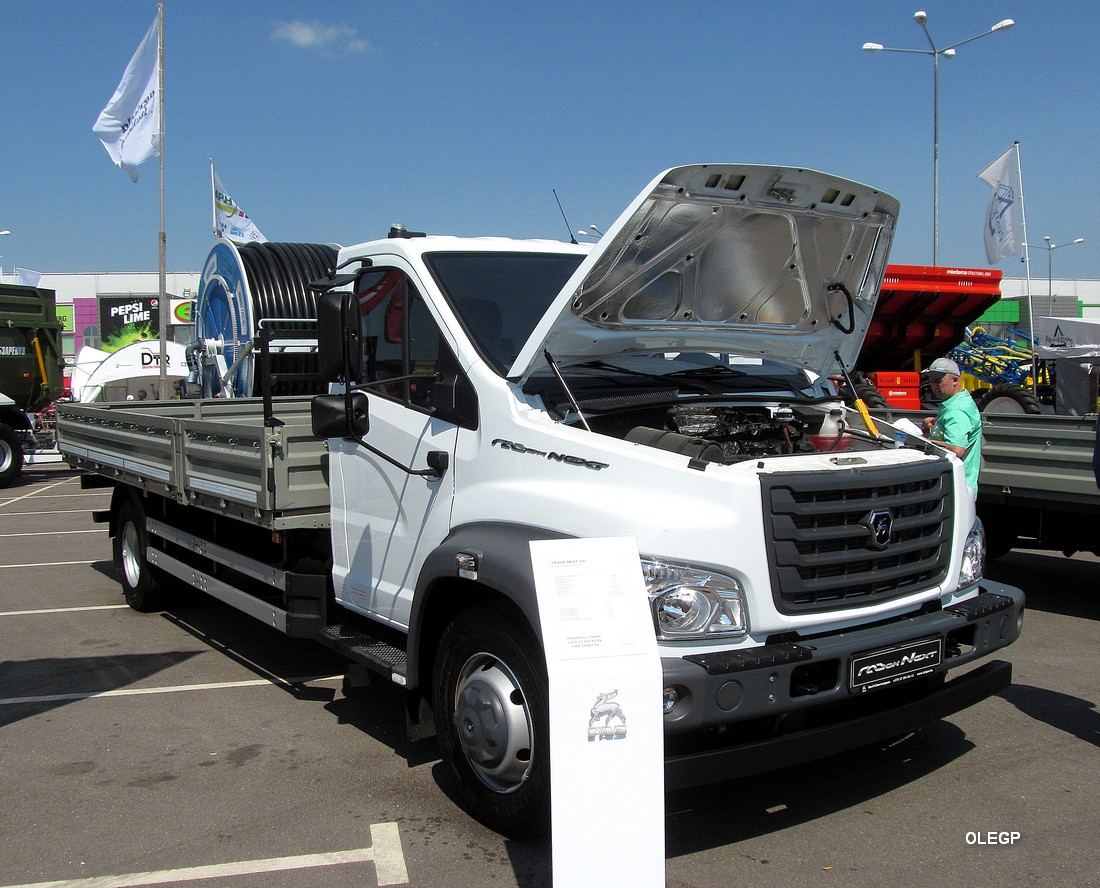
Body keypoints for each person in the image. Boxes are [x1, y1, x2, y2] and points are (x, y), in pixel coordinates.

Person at [921, 357, 982, 495]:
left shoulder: (957, 412)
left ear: (955, 380)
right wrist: (936, 421)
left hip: (955, 489)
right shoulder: (961, 399)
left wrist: (925, 442)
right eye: (931, 381)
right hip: (960, 486)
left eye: (938, 381)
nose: (934, 386)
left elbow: (957, 449)